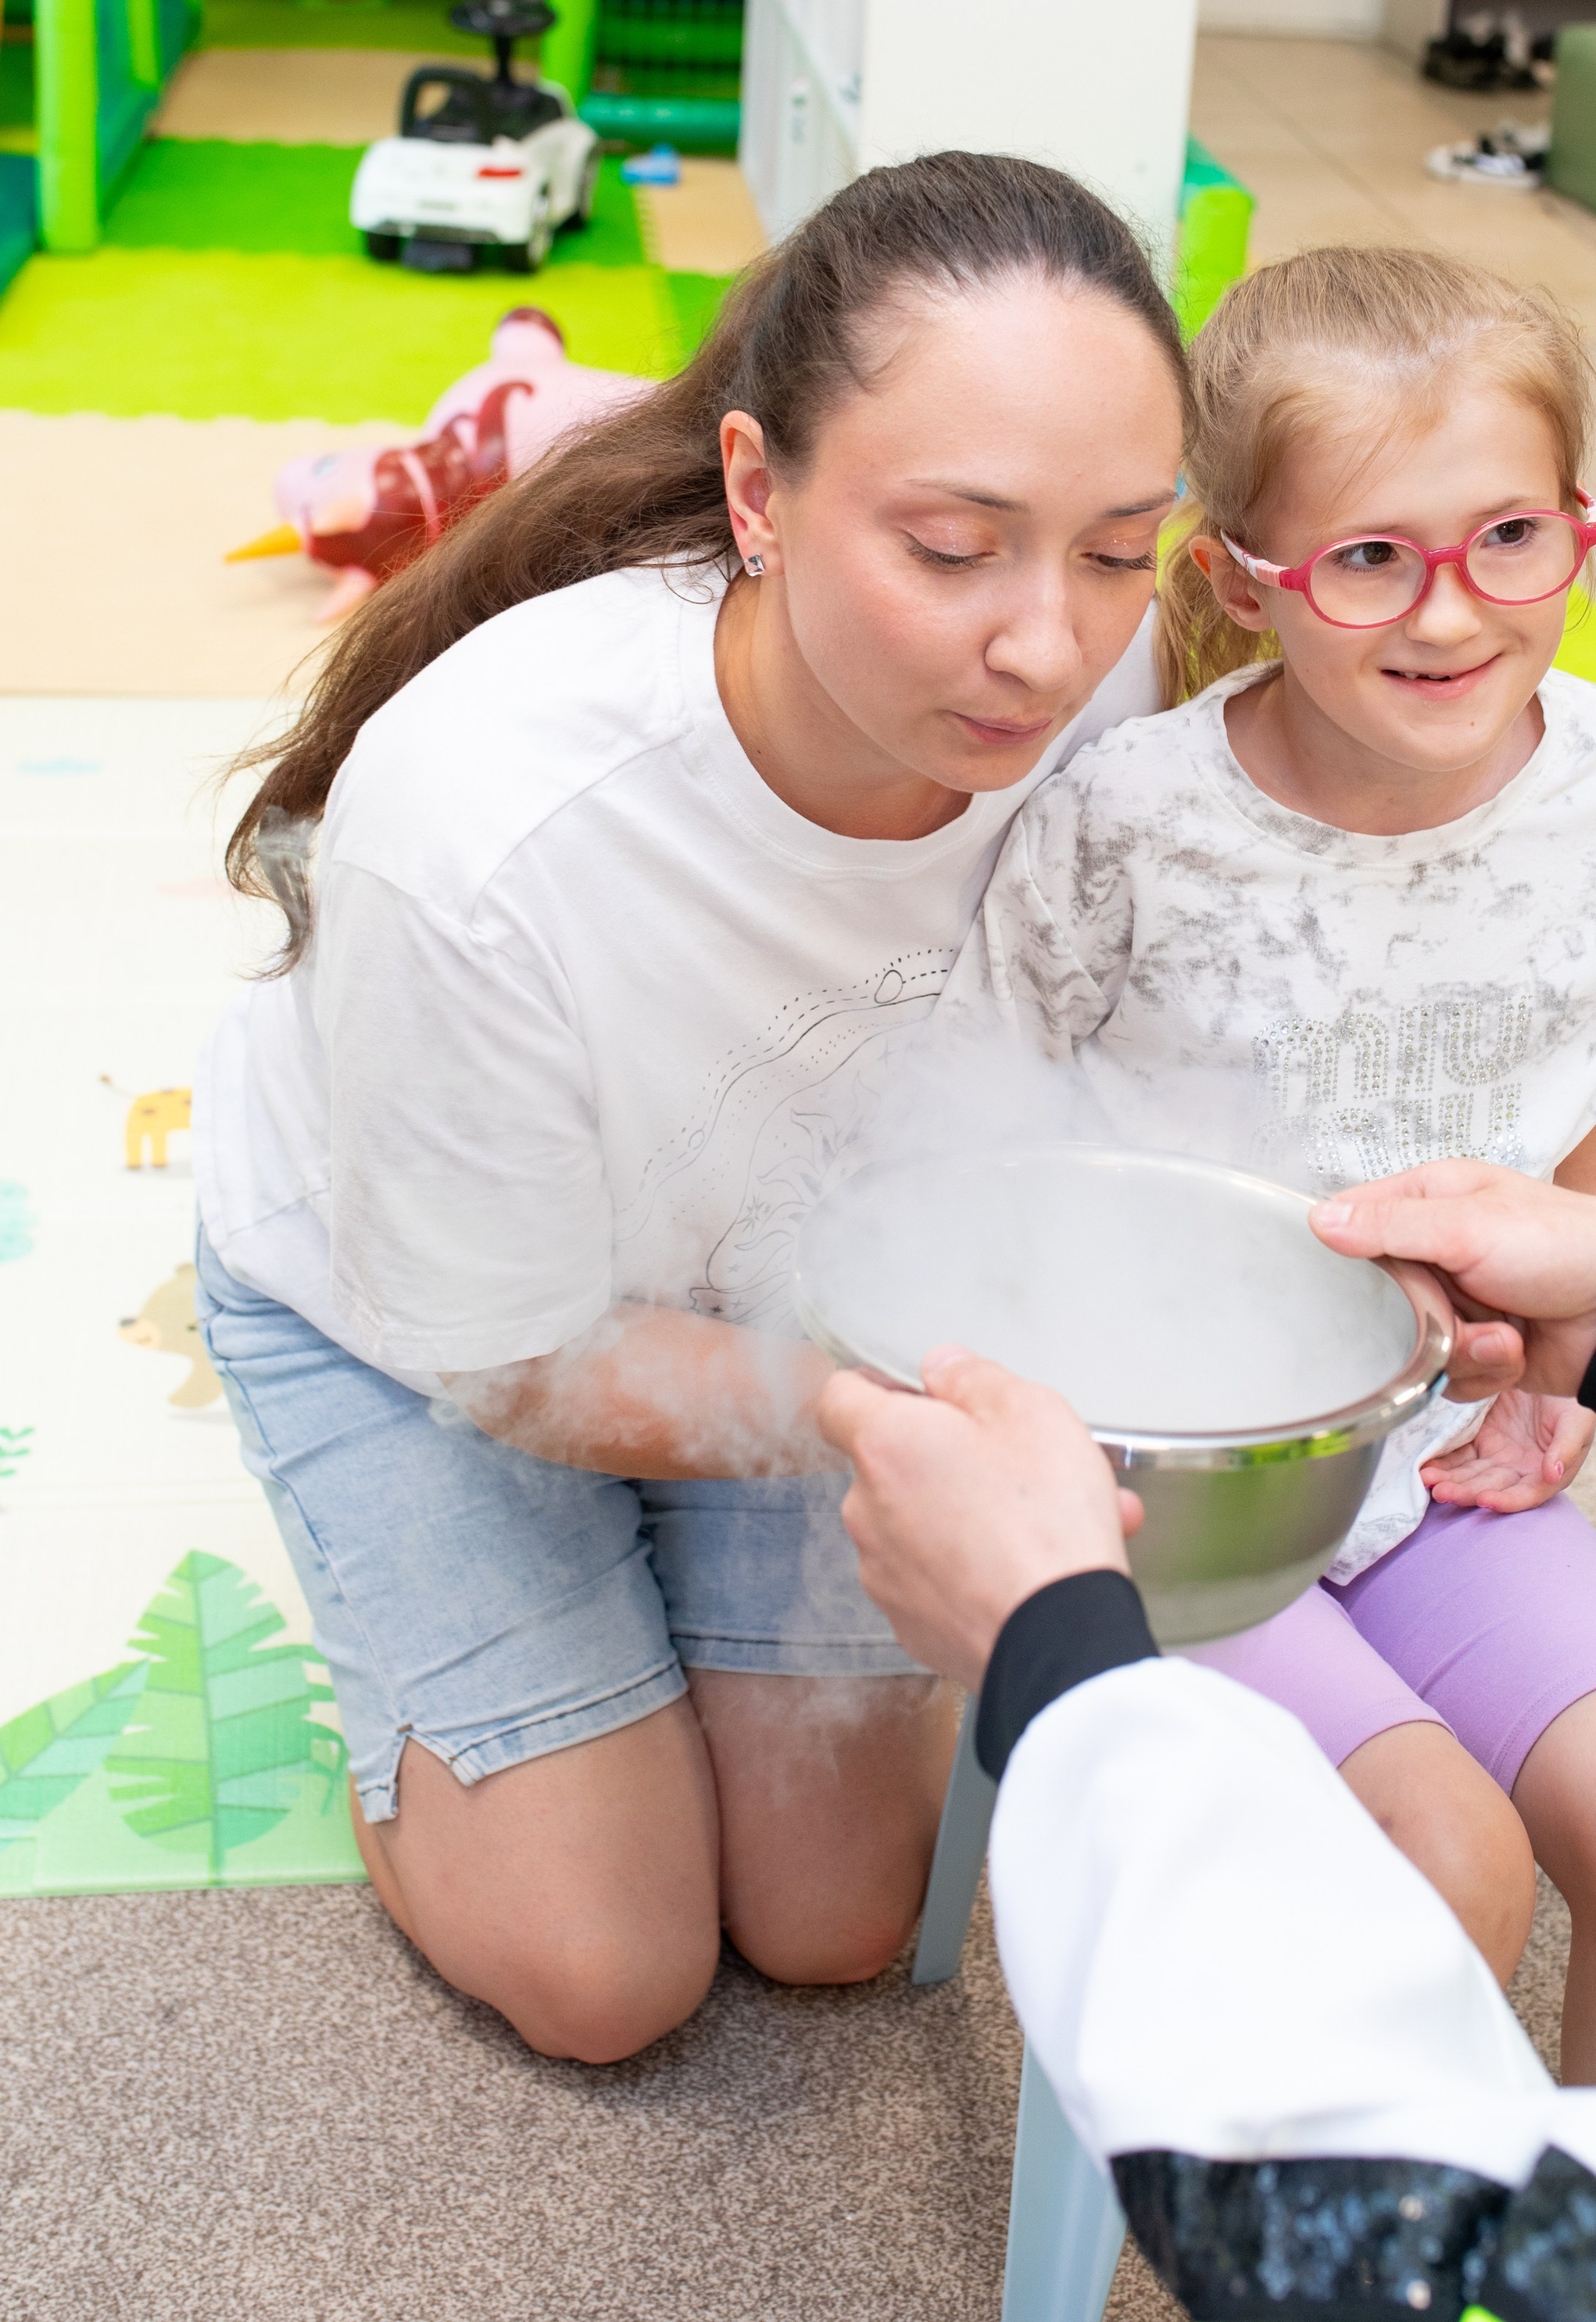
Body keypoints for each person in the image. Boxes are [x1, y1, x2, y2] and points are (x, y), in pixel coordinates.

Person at [192, 152, 1190, 2063]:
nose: (1047, 648)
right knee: (606, 1969)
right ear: (757, 492)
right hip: (433, 1323)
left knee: (837, 1919)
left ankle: (625, 1614)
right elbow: (501, 1353)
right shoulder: (482, 824)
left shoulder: (1113, 689)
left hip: (780, 1283)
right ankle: (418, 1700)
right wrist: (865, 1416)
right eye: (952, 546)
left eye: (1117, 544)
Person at [941, 246, 1596, 2075]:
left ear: (1577, 526)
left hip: (1442, 1467)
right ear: (1247, 574)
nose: (1452, 615)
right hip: (1175, 1502)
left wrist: (1573, 1342)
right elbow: (975, 1154)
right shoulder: (1131, 822)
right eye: (1371, 556)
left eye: (1510, 539)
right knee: (1437, 1864)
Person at [820, 1162, 1596, 2322]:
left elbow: (1411, 2238)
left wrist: (1061, 1660)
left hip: (1335, 1503)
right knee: (1450, 1845)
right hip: (1208, 1415)